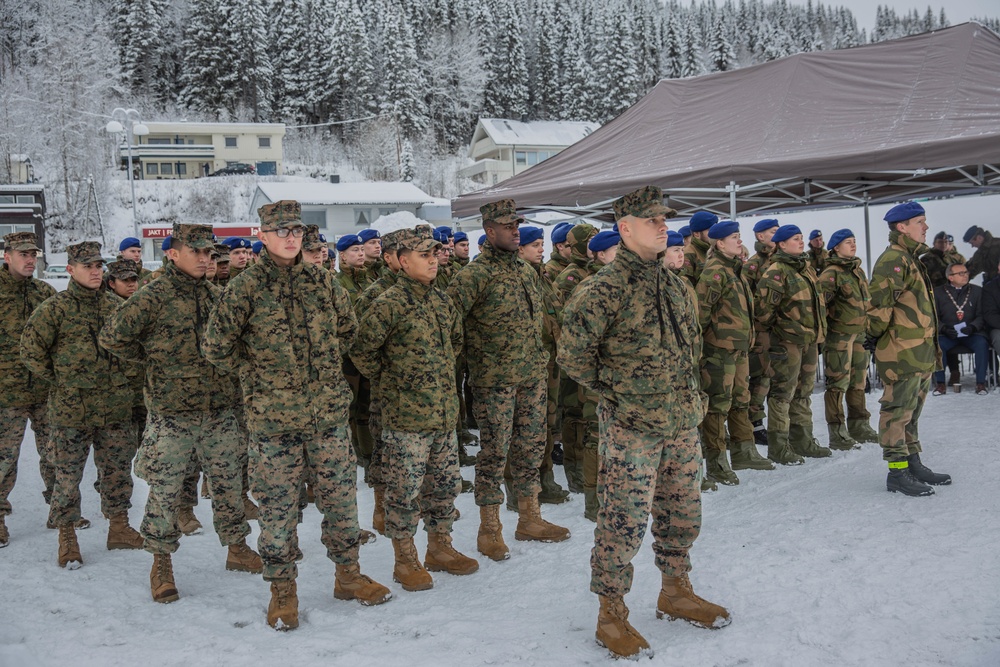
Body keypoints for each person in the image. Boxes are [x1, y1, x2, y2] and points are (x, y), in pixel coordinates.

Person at [559, 185, 729, 660]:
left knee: (683, 512)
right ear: (625, 228)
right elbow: (573, 357)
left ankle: (675, 591)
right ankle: (610, 614)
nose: (662, 225)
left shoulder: (676, 285)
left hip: (679, 421)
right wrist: (621, 391)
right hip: (633, 426)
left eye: (665, 218)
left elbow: (689, 350)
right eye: (652, 219)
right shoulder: (601, 290)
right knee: (623, 520)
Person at [204, 200, 390, 630]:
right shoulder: (244, 288)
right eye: (282, 231)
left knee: (342, 503)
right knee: (278, 511)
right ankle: (282, 590)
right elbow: (215, 348)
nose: (291, 238)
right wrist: (258, 374)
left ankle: (348, 576)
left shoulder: (323, 283)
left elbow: (349, 330)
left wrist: (320, 369)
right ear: (263, 236)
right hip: (274, 425)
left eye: (297, 231)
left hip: (327, 418)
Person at [100, 223, 260, 602]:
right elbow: (112, 336)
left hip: (220, 408)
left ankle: (237, 548)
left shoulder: (217, 295)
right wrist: (153, 359)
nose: (206, 259)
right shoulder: (152, 295)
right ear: (173, 253)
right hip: (172, 414)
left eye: (209, 254)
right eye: (197, 253)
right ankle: (161, 561)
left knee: (229, 485)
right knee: (166, 490)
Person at [351, 226, 478, 592]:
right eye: (425, 255)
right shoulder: (388, 304)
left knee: (444, 486)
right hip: (405, 418)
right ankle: (405, 559)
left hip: (441, 414)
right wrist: (397, 380)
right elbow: (362, 351)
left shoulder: (441, 300)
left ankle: (440, 547)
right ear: (403, 262)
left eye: (435, 254)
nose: (434, 261)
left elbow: (455, 342)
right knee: (403, 492)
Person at [447, 198, 570, 563]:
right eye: (508, 226)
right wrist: (471, 363)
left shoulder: (524, 269)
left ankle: (529, 517)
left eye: (517, 225)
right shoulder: (473, 275)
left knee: (531, 448)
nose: (516, 231)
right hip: (493, 382)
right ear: (489, 231)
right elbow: (450, 325)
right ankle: (489, 529)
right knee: (493, 455)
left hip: (531, 376)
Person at [21, 242, 143, 568]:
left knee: (117, 472)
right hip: (71, 410)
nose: (94, 270)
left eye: (98, 265)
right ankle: (67, 536)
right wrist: (62, 379)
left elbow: (134, 354)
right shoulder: (54, 309)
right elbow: (31, 350)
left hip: (115, 408)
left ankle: (118, 526)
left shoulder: (116, 307)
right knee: (67, 475)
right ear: (71, 269)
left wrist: (127, 388)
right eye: (86, 265)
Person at [869, 201, 952, 496]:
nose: (926, 227)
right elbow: (879, 306)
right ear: (901, 227)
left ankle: (912, 461)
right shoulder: (893, 259)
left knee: (912, 412)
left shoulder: (911, 257)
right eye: (920, 222)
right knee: (896, 411)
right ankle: (897, 473)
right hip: (901, 352)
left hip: (919, 351)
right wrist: (872, 335)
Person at [0, 232, 68, 548]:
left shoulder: (44, 292)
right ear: (7, 256)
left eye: (33, 254)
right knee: (4, 458)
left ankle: (61, 511)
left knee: (55, 452)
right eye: (23, 254)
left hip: (43, 390)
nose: (30, 260)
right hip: (6, 392)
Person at [697, 221, 772, 485]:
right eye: (734, 237)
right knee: (718, 405)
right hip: (719, 350)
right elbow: (700, 315)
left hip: (739, 348)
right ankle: (717, 462)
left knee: (741, 399)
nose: (739, 241)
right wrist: (700, 351)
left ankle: (744, 450)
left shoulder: (734, 269)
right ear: (719, 243)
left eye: (739, 236)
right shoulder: (714, 273)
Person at [755, 225, 830, 465]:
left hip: (808, 341)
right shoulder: (776, 272)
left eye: (800, 238)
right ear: (782, 244)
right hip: (786, 343)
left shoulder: (805, 269)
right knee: (782, 394)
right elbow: (764, 313)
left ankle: (803, 440)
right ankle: (779, 447)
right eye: (795, 239)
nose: (800, 242)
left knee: (804, 392)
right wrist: (786, 330)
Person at [353, 229, 407, 534]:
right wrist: (383, 375)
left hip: (418, 395)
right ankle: (381, 508)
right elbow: (360, 346)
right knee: (384, 451)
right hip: (386, 393)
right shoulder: (375, 295)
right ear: (388, 259)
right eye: (402, 252)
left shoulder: (421, 290)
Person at [511, 226, 569, 507]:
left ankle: (544, 478)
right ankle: (521, 488)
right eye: (534, 245)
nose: (541, 249)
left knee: (546, 422)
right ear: (519, 249)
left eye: (541, 244)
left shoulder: (540, 276)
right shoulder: (518, 277)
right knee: (524, 427)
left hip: (550, 360)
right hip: (529, 364)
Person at [819, 229, 878, 448]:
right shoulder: (830, 274)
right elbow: (821, 306)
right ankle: (838, 433)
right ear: (835, 247)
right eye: (847, 242)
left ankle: (860, 426)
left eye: (854, 241)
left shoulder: (858, 271)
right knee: (837, 384)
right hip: (839, 337)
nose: (853, 245)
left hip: (859, 335)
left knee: (858, 382)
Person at [745, 219, 780, 445]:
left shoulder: (781, 261)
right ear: (760, 236)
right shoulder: (754, 264)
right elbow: (747, 300)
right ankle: (755, 424)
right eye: (772, 232)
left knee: (777, 378)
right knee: (761, 378)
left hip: (780, 330)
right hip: (761, 330)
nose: (776, 236)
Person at [933, 263, 990, 395]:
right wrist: (944, 328)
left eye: (966, 272)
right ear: (950, 277)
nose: (965, 275)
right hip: (948, 334)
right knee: (938, 345)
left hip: (972, 334)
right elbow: (933, 317)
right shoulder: (938, 292)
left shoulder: (977, 291)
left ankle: (980, 383)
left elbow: (982, 315)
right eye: (961, 273)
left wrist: (973, 327)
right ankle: (940, 384)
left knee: (982, 344)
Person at [680, 211, 717, 285]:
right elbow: (686, 286)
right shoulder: (688, 254)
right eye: (709, 230)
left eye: (715, 228)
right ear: (696, 234)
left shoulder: (717, 250)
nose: (714, 233)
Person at [981, 259, 1000, 361]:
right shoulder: (990, 288)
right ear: (999, 267)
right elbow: (990, 315)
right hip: (998, 327)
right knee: (998, 338)